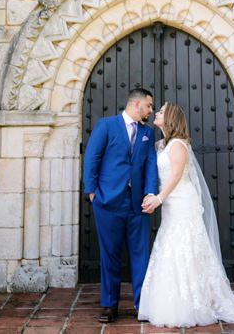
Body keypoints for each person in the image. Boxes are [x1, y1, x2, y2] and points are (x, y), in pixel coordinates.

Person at [138, 103, 234, 328]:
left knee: (184, 246)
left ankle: (193, 303)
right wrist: (153, 193)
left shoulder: (177, 145)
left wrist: (159, 199)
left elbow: (175, 176)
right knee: (170, 245)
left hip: (182, 202)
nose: (157, 113)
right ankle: (173, 299)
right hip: (170, 204)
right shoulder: (160, 144)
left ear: (170, 118)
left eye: (161, 111)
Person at [83, 88, 158, 323]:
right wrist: (92, 193)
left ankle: (141, 305)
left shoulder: (148, 132)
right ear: (136, 104)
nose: (151, 110)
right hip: (108, 202)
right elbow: (92, 158)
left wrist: (150, 193)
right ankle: (109, 305)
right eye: (149, 105)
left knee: (140, 255)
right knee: (110, 255)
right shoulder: (106, 125)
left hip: (138, 204)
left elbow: (150, 164)